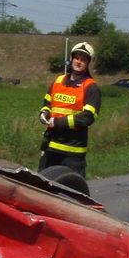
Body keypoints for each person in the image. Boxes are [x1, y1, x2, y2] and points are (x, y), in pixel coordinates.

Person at [39, 41, 100, 177]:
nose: (79, 62)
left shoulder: (91, 87)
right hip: (51, 146)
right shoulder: (58, 81)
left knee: (71, 193)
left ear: (88, 63)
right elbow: (47, 103)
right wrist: (44, 113)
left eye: (83, 60)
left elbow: (87, 117)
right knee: (42, 190)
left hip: (73, 152)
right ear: (72, 59)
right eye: (77, 58)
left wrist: (57, 123)